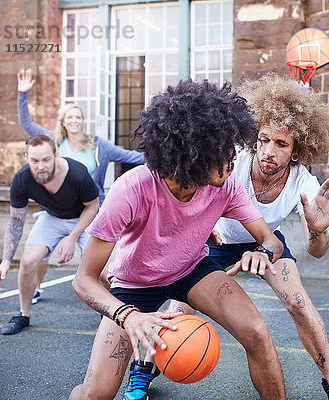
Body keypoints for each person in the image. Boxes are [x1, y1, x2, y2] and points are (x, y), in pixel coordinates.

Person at [124, 73, 329, 400]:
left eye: (281, 143)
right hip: (216, 240)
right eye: (263, 139)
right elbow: (192, 196)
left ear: (296, 150)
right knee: (180, 308)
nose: (268, 151)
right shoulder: (231, 159)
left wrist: (318, 229)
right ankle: (143, 368)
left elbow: (316, 251)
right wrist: (203, 226)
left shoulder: (303, 183)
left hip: (265, 243)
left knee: (298, 302)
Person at [69, 79, 286, 400]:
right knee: (95, 394)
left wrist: (264, 253)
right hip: (134, 287)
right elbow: (83, 279)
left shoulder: (225, 185)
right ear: (192, 152)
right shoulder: (132, 188)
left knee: (256, 332)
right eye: (222, 148)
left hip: (191, 270)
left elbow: (271, 238)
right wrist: (127, 315)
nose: (233, 155)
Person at [17, 68, 145, 303]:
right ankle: (34, 287)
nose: (75, 120)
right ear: (63, 122)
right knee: (38, 257)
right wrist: (22, 94)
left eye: (78, 116)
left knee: (103, 266)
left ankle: (117, 304)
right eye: (70, 117)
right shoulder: (52, 142)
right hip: (58, 209)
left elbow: (132, 157)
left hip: (90, 210)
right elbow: (25, 122)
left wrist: (165, 152)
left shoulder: (98, 145)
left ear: (83, 121)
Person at [0, 134, 99, 335]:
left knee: (103, 271)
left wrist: (72, 237)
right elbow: (15, 221)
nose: (41, 166)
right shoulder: (22, 180)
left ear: (56, 155)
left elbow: (93, 207)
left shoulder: (77, 174)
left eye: (46, 160)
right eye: (35, 161)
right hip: (53, 218)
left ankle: (108, 314)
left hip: (84, 218)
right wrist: (5, 260)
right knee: (28, 262)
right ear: (26, 158)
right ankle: (23, 314)